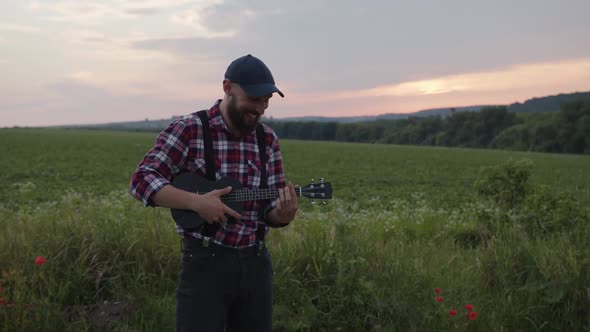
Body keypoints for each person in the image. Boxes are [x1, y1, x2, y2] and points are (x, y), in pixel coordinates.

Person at [129, 54, 298, 332]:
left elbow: (269, 207)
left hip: (256, 265)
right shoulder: (190, 129)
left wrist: (281, 214)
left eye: (266, 100)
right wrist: (196, 202)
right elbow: (141, 180)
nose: (260, 108)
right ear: (227, 87)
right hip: (204, 264)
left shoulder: (267, 139)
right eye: (253, 99)